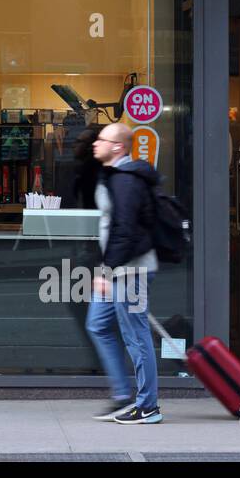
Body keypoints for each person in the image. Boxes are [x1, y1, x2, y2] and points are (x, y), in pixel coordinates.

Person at [85, 122, 163, 424]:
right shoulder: (116, 176)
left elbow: (125, 231)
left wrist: (105, 270)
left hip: (131, 272)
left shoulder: (126, 180)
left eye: (101, 139)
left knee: (136, 336)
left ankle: (148, 406)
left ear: (118, 147)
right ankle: (122, 395)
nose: (95, 143)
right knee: (98, 325)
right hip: (120, 270)